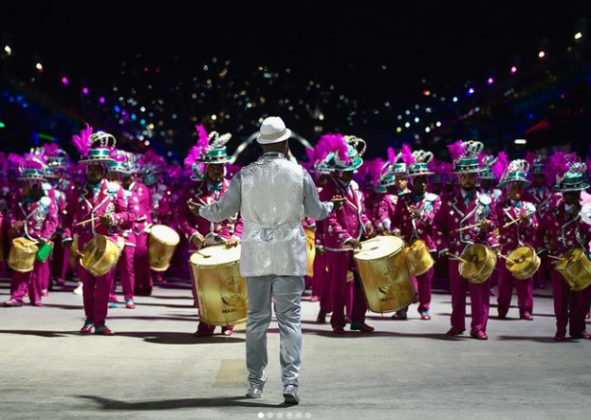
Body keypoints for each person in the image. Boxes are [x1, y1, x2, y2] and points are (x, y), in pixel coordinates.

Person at [192, 116, 342, 405]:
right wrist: (330, 206)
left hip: (257, 254)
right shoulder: (299, 174)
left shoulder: (244, 175)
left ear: (262, 145)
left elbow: (221, 211)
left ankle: (255, 384)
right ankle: (290, 383)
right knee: (290, 321)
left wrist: (201, 211)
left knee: (257, 321)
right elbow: (316, 212)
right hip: (288, 254)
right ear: (285, 142)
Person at [434, 141, 498, 340]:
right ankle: (457, 324)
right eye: (465, 175)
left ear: (476, 177)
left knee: (479, 293)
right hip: (457, 254)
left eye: (472, 175)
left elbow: (495, 223)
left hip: (478, 254)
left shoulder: (485, 201)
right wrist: (442, 246)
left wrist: (489, 228)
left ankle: (478, 327)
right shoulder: (449, 202)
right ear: (459, 178)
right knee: (457, 293)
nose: (468, 179)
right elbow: (437, 226)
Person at [537, 162, 591, 341]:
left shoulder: (586, 213)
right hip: (559, 261)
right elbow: (539, 233)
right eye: (567, 192)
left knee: (581, 297)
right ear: (563, 193)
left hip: (580, 261)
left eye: (574, 192)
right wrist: (543, 249)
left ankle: (577, 329)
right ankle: (561, 329)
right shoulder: (552, 213)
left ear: (578, 194)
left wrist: (580, 219)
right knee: (560, 299)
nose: (570, 196)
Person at [495, 160, 537, 321]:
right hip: (506, 250)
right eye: (514, 186)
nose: (517, 190)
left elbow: (535, 229)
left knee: (524, 281)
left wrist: (528, 222)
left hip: (524, 250)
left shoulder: (529, 207)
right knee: (504, 283)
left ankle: (525, 309)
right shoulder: (500, 208)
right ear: (507, 189)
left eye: (520, 186)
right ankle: (502, 309)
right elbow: (495, 227)